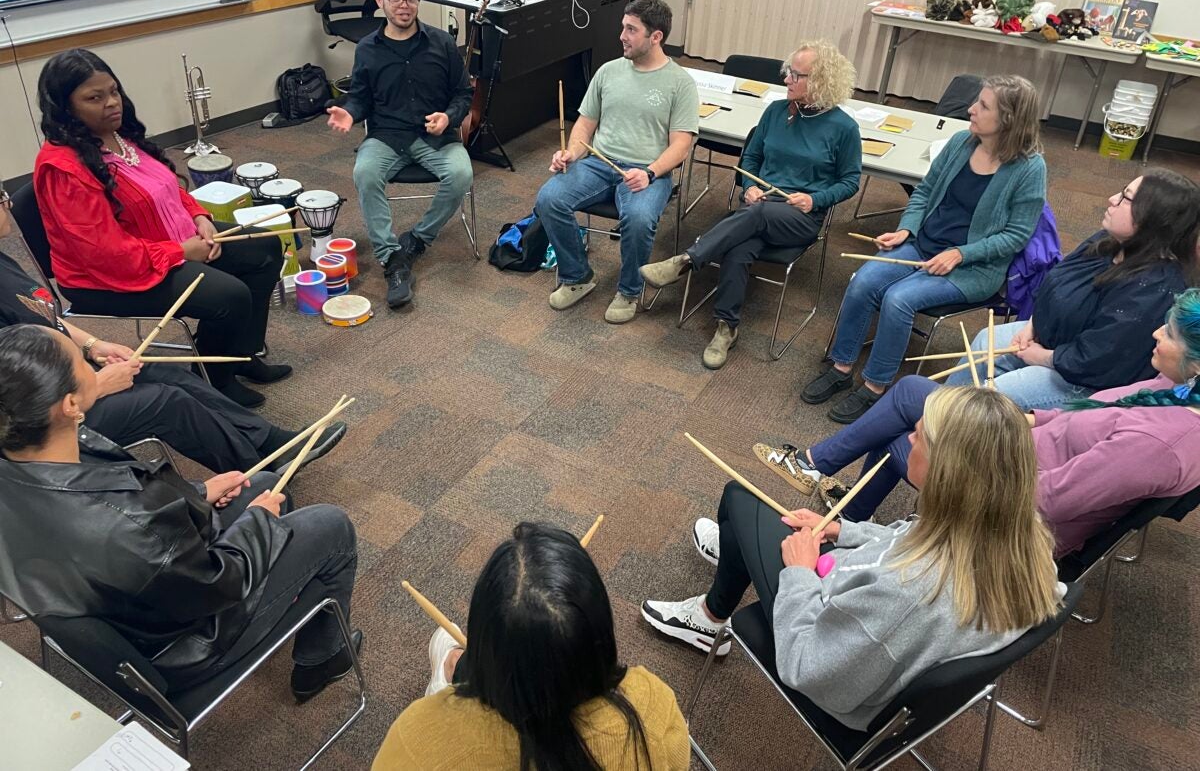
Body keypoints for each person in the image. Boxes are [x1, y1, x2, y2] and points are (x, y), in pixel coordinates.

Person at [642, 386, 1064, 732]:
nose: (909, 441)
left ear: (947, 471)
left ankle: (710, 617)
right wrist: (845, 531)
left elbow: (806, 665)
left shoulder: (909, 593)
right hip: (868, 611)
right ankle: (740, 555)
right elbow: (907, 536)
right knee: (755, 529)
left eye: (919, 437)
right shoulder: (1017, 536)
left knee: (739, 501)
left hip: (826, 638)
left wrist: (801, 573)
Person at [0, 324, 360, 700]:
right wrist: (259, 522)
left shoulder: (29, 462)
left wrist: (198, 493)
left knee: (264, 483)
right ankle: (324, 658)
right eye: (81, 361)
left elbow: (139, 525)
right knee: (331, 526)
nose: (92, 363)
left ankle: (288, 598)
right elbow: (219, 582)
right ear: (70, 406)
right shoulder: (126, 522)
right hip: (185, 642)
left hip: (130, 598)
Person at [757, 288, 1200, 556]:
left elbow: (1047, 503)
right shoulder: (1174, 386)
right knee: (912, 400)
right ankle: (838, 509)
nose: (1156, 334)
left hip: (1007, 509)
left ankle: (834, 505)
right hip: (1013, 454)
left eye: (1171, 333)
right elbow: (1087, 414)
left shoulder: (1158, 444)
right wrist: (1022, 418)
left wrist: (979, 448)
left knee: (901, 433)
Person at [0, 182, 345, 471]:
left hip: (65, 373)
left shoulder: (2, 261)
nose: (8, 203)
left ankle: (269, 442)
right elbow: (14, 409)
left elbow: (45, 318)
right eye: (1, 199)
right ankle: (257, 470)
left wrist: (93, 345)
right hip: (45, 423)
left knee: (164, 371)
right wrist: (96, 387)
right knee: (164, 401)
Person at [33, 49, 290, 408]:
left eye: (114, 91)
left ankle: (241, 353)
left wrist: (199, 216)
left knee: (263, 248)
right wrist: (182, 252)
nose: (111, 103)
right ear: (65, 107)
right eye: (94, 98)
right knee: (228, 296)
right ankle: (215, 380)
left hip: (161, 237)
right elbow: (105, 254)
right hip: (103, 277)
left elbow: (166, 188)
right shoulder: (63, 168)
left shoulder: (119, 132)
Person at [804, 75, 1046, 423]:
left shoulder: (1029, 169)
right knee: (863, 281)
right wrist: (906, 229)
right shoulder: (962, 142)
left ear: (1008, 119)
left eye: (983, 106)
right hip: (923, 244)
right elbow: (924, 191)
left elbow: (1016, 235)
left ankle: (875, 386)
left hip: (973, 268)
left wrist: (962, 253)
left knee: (898, 299)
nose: (971, 109)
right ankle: (841, 367)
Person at [373, 522, 689, 770]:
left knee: (454, 656)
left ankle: (455, 668)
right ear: (599, 631)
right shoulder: (652, 705)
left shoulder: (420, 741)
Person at [640, 40, 861, 369]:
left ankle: (688, 259)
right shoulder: (775, 112)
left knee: (752, 217)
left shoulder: (844, 128)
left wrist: (815, 198)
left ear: (820, 81)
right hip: (757, 210)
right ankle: (727, 327)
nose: (786, 79)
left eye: (795, 75)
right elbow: (752, 159)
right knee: (738, 248)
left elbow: (850, 182)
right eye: (788, 72)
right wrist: (750, 186)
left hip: (800, 216)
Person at [946, 170, 1200, 408]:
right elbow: (1057, 286)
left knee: (987, 399)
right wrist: (1033, 324)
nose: (1112, 199)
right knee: (983, 341)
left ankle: (949, 435)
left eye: (1126, 198)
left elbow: (1097, 359)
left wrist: (1042, 356)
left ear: (1152, 220)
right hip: (1055, 340)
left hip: (1086, 380)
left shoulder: (1155, 287)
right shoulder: (1108, 240)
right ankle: (933, 419)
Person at [535, 0, 699, 324]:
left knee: (638, 220)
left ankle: (628, 290)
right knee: (549, 199)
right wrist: (572, 152)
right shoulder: (608, 71)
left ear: (656, 37)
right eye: (623, 27)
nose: (622, 35)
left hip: (648, 171)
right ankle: (577, 276)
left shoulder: (680, 84)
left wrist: (651, 173)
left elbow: (681, 145)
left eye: (631, 30)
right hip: (600, 161)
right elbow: (585, 124)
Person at [327, 0, 474, 309]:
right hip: (387, 135)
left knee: (461, 175)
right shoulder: (367, 48)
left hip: (434, 135)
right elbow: (361, 97)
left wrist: (448, 116)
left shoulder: (441, 42)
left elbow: (463, 93)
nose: (404, 5)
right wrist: (350, 112)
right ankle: (391, 258)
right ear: (381, 1)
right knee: (365, 172)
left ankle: (418, 240)